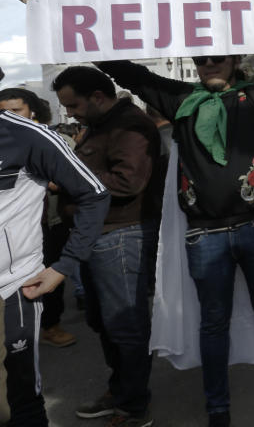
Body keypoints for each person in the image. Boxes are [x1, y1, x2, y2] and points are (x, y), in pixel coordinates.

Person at [15, 0, 254, 427]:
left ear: (235, 59)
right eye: (202, 54)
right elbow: (122, 67)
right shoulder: (178, 99)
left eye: (219, 55)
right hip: (205, 237)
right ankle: (218, 411)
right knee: (212, 325)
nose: (210, 60)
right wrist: (54, 3)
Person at [49, 66, 162, 427]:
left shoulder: (130, 125)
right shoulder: (100, 124)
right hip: (97, 237)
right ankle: (122, 390)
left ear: (98, 96)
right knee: (104, 322)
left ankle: (133, 408)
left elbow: (127, 182)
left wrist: (68, 180)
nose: (69, 113)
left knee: (125, 325)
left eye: (73, 105)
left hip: (120, 236)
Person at [1, 104, 111, 426]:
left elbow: (94, 194)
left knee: (17, 400)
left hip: (11, 288)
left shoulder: (26, 136)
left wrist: (65, 265)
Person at [0, 89, 78, 353]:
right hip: (17, 233)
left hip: (50, 222)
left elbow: (81, 185)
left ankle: (50, 326)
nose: (9, 116)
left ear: (32, 112)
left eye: (16, 110)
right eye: (4, 110)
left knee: (48, 279)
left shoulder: (48, 139)